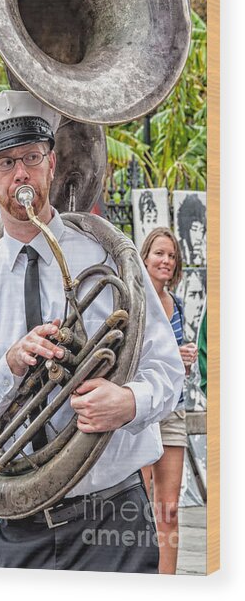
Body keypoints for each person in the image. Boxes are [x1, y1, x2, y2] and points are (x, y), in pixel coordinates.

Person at [0, 90, 184, 574]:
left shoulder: (109, 258)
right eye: (6, 163)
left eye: (32, 157)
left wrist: (128, 401)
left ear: (52, 162)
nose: (22, 174)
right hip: (20, 523)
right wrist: (11, 366)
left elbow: (168, 370)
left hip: (112, 514)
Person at [140, 227, 198, 574]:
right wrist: (171, 357)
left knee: (169, 508)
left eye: (171, 256)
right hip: (143, 413)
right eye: (159, 253)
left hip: (173, 409)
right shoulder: (136, 301)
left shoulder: (176, 305)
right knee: (138, 503)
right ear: (145, 258)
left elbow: (177, 366)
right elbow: (127, 358)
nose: (165, 260)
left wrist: (184, 362)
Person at [177, 194, 207, 266]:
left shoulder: (204, 250)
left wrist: (204, 261)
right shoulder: (177, 249)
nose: (199, 237)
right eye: (194, 229)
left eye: (201, 230)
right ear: (185, 230)